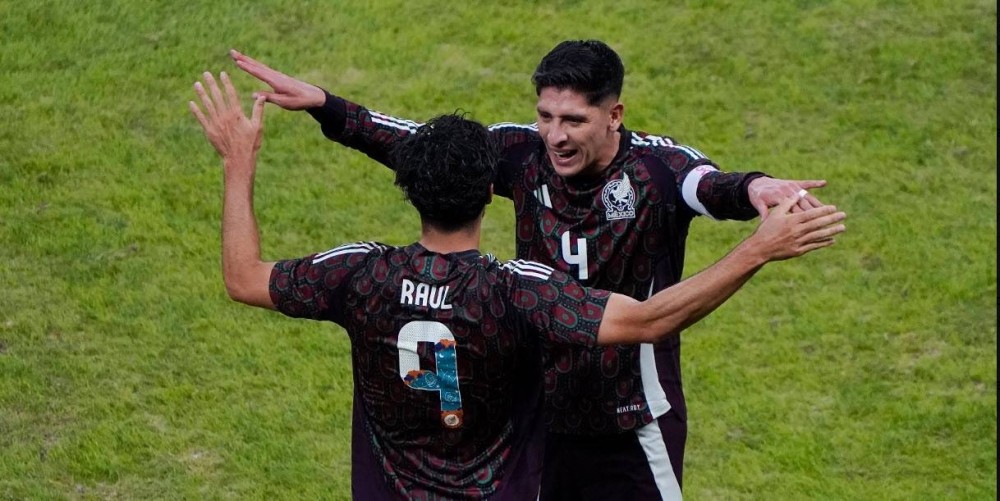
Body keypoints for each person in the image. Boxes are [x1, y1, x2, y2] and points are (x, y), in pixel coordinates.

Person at [228, 39, 841, 500]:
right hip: (538, 417)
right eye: (546, 116)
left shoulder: (657, 171)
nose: (554, 135)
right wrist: (326, 106)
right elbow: (427, 148)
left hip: (631, 419)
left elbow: (713, 186)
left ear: (614, 115)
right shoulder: (519, 156)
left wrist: (759, 186)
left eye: (572, 120)